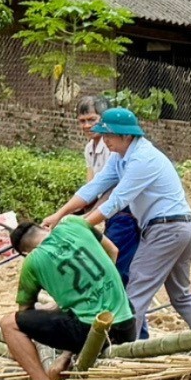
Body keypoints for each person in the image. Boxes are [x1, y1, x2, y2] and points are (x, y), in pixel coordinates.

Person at [51, 107, 191, 331]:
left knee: (136, 291)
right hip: (181, 228)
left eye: (109, 135)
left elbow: (117, 200)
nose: (105, 140)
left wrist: (82, 225)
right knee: (181, 295)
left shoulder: (142, 159)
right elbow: (95, 186)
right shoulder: (120, 157)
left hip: (166, 229)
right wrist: (59, 214)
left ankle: (125, 346)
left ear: (126, 135)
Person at [0, 215, 137, 380]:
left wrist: (53, 307)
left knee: (9, 324)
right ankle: (68, 354)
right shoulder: (74, 223)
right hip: (126, 324)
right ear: (45, 228)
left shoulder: (33, 261)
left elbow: (24, 312)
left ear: (26, 252)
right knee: (76, 310)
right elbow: (113, 250)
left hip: (92, 333)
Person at [72, 95, 141, 280]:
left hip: (123, 210)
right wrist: (73, 212)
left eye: (91, 120)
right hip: (108, 210)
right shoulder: (89, 148)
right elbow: (92, 186)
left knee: (116, 265)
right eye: (82, 121)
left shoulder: (112, 145)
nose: (87, 125)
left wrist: (89, 218)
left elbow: (113, 188)